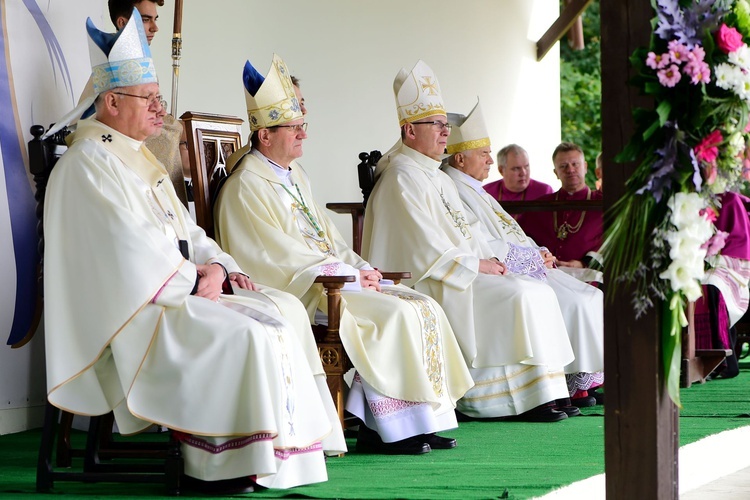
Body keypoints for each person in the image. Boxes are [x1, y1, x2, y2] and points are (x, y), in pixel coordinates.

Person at [43, 13, 345, 493]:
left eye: (159, 97)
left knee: (280, 313)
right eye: (150, 99)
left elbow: (187, 230)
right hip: (135, 311)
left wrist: (220, 265)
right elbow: (128, 253)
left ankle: (280, 456)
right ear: (112, 101)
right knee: (248, 335)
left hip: (171, 290)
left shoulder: (136, 156)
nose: (160, 108)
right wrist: (195, 275)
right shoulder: (88, 164)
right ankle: (219, 464)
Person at [214, 55, 474, 455]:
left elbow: (329, 239)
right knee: (397, 313)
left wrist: (363, 269)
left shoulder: (294, 176)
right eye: (294, 127)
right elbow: (272, 257)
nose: (304, 133)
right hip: (306, 291)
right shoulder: (247, 184)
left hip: (332, 280)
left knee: (422, 306)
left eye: (304, 125)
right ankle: (388, 426)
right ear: (264, 136)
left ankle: (421, 419)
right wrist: (346, 277)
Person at [362, 60, 577, 422]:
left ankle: (541, 392)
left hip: (459, 270)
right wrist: (474, 264)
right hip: (435, 278)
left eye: (446, 125)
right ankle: (502, 400)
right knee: (520, 293)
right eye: (437, 125)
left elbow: (470, 232)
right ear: (409, 130)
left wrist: (495, 259)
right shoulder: (401, 177)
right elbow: (421, 246)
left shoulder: (437, 176)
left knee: (530, 287)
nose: (446, 132)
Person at [441, 101, 604, 405]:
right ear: (460, 159)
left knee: (589, 296)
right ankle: (555, 387)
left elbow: (509, 231)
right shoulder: (454, 188)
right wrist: (530, 258)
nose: (490, 160)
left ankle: (579, 384)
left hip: (521, 264)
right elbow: (479, 241)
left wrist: (537, 250)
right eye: (484, 154)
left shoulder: (473, 187)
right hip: (492, 270)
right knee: (565, 299)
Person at [520, 142, 604, 281]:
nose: (570, 170)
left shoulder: (602, 204)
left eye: (575, 164)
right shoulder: (539, 206)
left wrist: (584, 263)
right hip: (544, 277)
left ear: (585, 167)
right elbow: (520, 240)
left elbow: (613, 246)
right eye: (563, 166)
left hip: (588, 277)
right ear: (556, 173)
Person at [695, 191, 750, 378]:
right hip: (697, 260)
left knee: (713, 285)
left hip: (728, 263)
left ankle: (723, 361)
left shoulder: (730, 200)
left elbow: (739, 242)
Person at [483, 144, 553, 203]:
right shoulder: (486, 193)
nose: (523, 173)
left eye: (526, 167)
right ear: (501, 170)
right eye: (516, 168)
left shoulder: (544, 192)